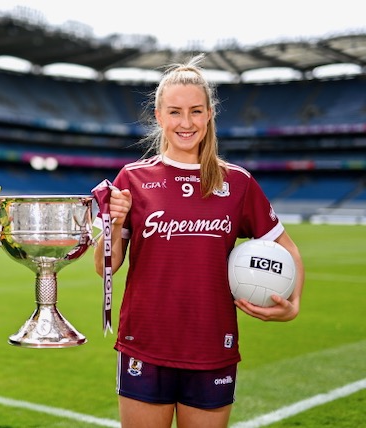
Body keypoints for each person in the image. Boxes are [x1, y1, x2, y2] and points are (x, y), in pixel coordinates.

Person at [93, 54, 305, 428]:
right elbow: (105, 268)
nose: (186, 123)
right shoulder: (132, 178)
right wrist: (114, 222)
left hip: (212, 348)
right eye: (175, 112)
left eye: (195, 111)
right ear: (159, 117)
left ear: (209, 115)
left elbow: (288, 249)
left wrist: (294, 302)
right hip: (145, 343)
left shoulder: (237, 182)